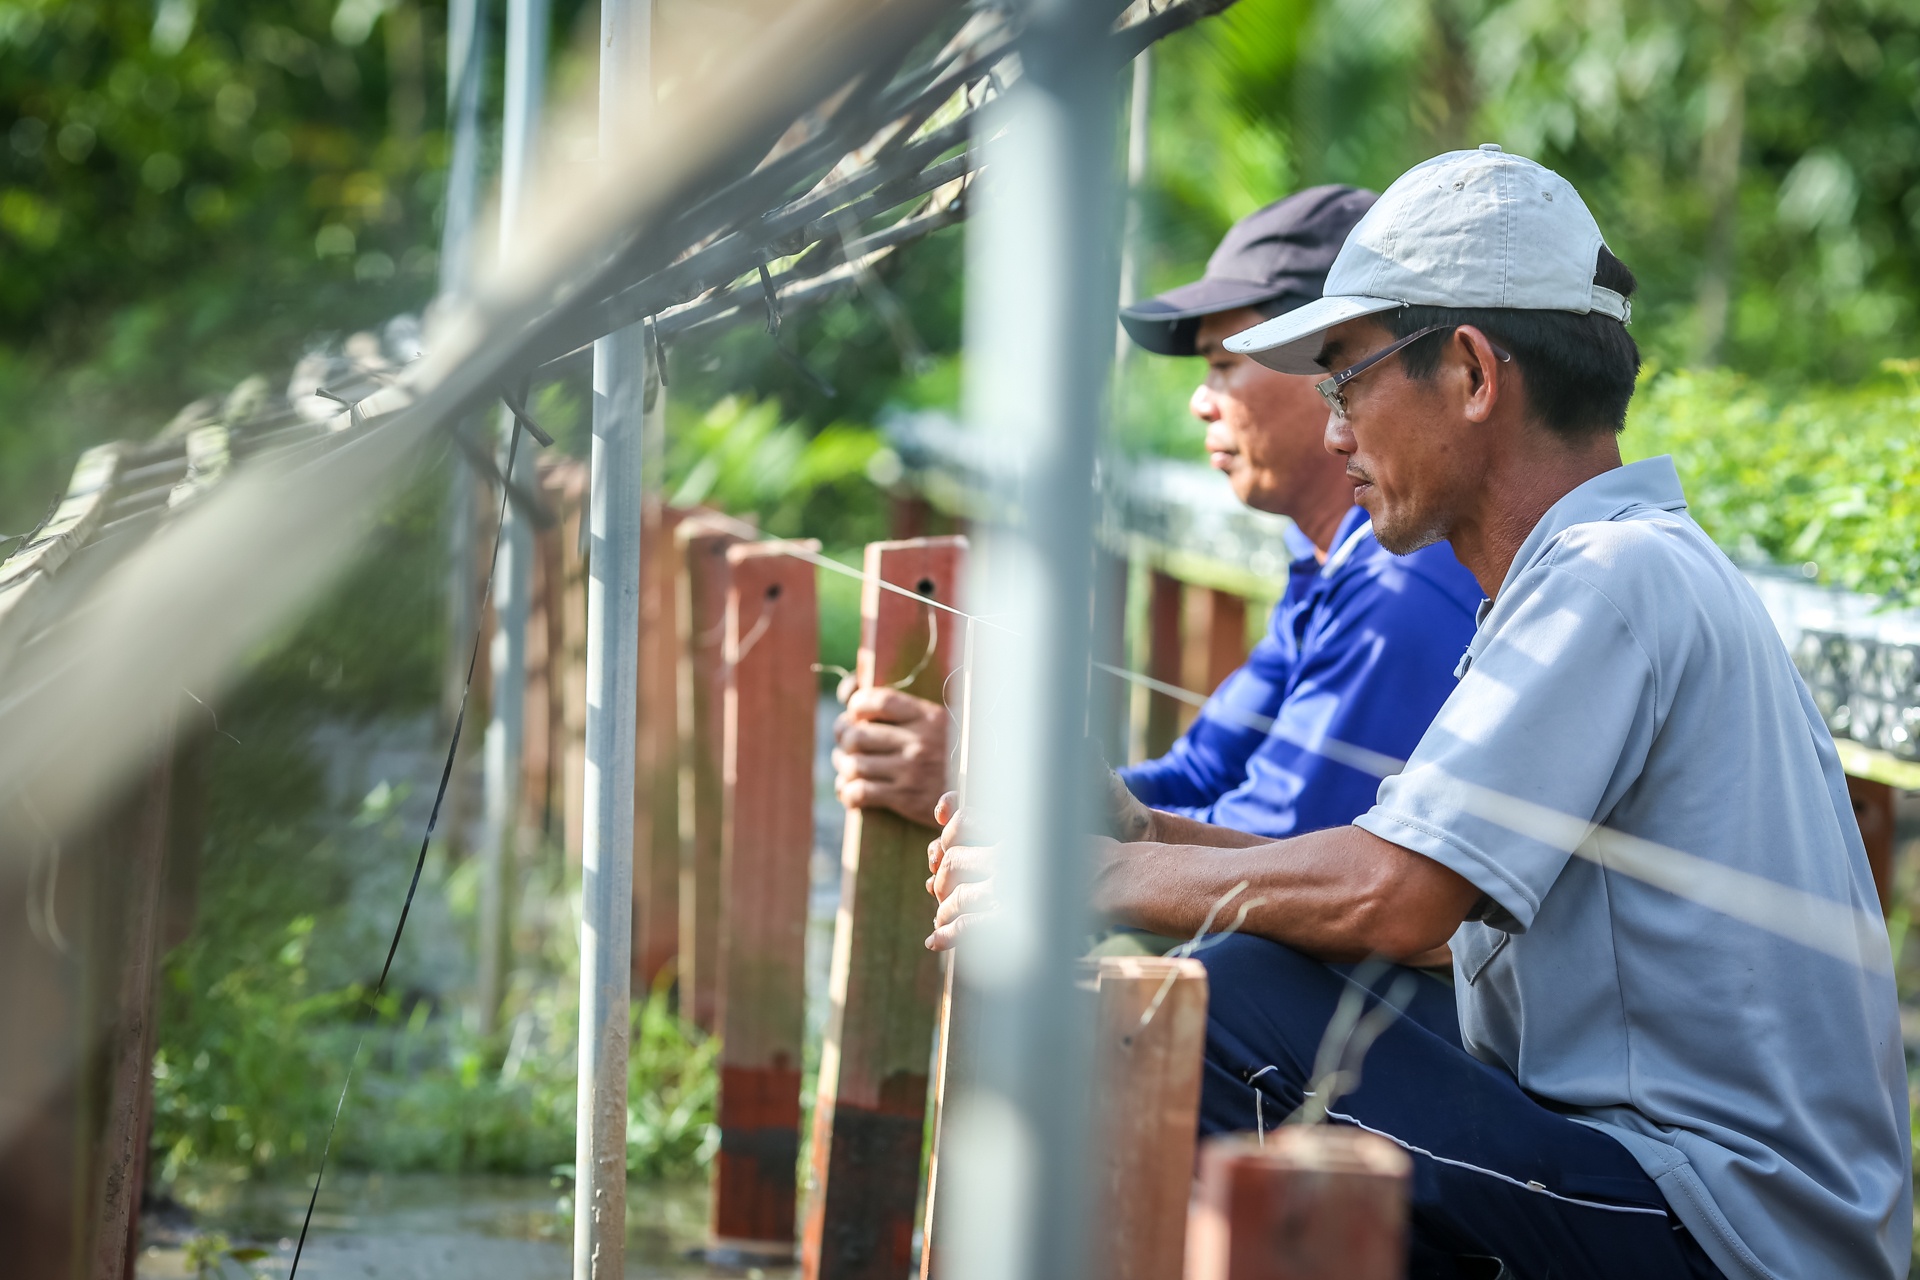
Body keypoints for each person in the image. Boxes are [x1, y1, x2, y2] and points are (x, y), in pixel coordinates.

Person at [928, 147, 1910, 1280]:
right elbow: (1434, 918)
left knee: (1223, 1008)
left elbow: (1396, 895)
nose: (1333, 423)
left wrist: (1090, 882)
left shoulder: (1611, 576)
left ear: (1475, 374)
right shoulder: (1588, 575)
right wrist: (1143, 838)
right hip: (1661, 1191)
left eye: (1345, 374)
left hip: (1724, 1233)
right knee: (1256, 983)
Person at [833, 186, 1483, 844]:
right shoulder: (1329, 558)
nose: (1202, 401)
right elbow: (1199, 776)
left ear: (1330, 369)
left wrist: (1009, 806)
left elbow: (1279, 848)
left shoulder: (1402, 579)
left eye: (1225, 365)